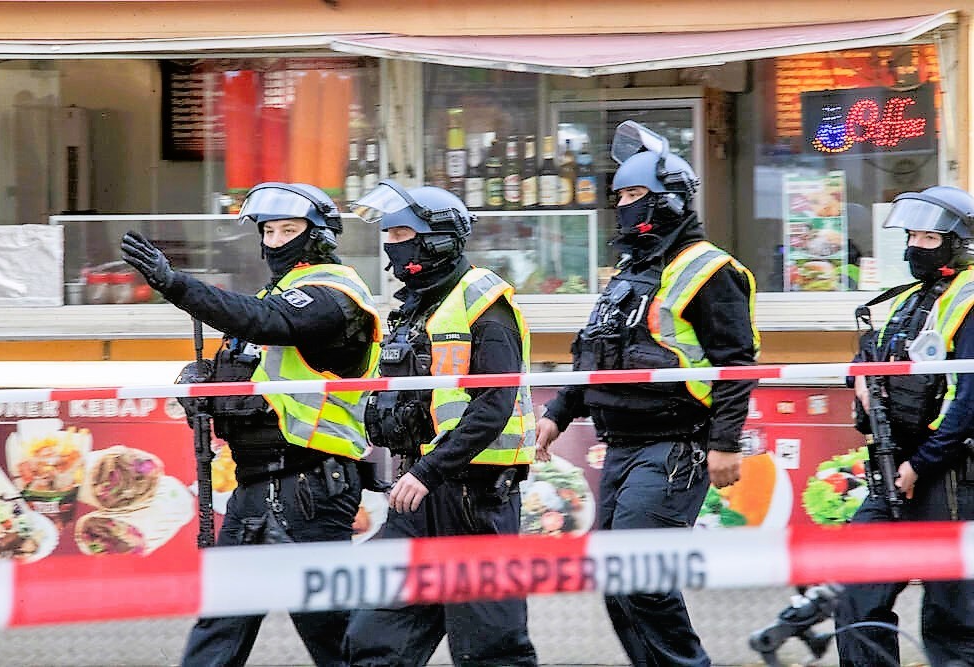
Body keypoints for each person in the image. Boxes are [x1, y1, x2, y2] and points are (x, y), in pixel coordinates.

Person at [120, 182, 382, 667]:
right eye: (269, 230)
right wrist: (204, 384)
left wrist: (178, 286)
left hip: (311, 487)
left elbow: (264, 321)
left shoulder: (337, 294)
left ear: (320, 235)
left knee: (333, 636)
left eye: (290, 229)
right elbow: (254, 378)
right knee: (219, 628)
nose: (277, 240)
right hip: (254, 488)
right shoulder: (275, 296)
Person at [535, 121, 759, 666]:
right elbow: (599, 353)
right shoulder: (631, 272)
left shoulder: (710, 270)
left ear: (669, 200)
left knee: (643, 580)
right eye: (620, 197)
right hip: (623, 445)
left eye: (636, 195)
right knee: (618, 583)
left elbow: (737, 363)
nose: (624, 206)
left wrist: (726, 442)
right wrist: (560, 413)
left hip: (675, 445)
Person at [344, 180, 538, 667]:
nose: (392, 244)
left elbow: (493, 405)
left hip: (474, 497)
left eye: (403, 231)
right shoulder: (415, 308)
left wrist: (428, 471)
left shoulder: (483, 303)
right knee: (376, 642)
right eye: (386, 234)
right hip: (418, 494)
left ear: (438, 238)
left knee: (488, 650)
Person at [835, 185, 974, 667]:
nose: (914, 246)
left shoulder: (970, 300)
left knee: (953, 621)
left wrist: (922, 463)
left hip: (951, 475)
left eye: (928, 238)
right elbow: (870, 357)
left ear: (960, 243)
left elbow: (969, 402)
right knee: (856, 595)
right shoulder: (906, 300)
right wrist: (858, 379)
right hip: (894, 470)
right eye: (911, 235)